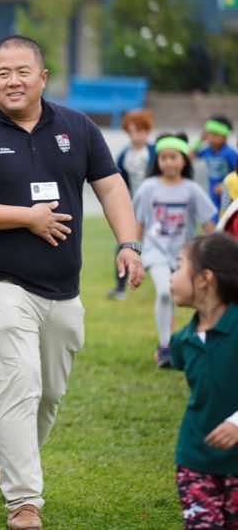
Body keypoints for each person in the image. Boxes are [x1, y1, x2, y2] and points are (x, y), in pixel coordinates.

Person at [0, 35, 144, 530]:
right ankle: (24, 501)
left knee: (50, 393)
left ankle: (8, 462)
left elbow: (110, 185)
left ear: (43, 77)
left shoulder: (78, 128)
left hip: (62, 289)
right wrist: (26, 217)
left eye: (22, 71)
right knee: (21, 384)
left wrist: (129, 243)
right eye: (3, 73)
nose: (13, 81)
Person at [167, 233, 238, 529]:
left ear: (204, 278)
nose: (171, 277)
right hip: (194, 459)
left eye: (178, 267)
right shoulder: (181, 342)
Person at [133, 133, 216, 368]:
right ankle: (164, 347)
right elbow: (138, 223)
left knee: (195, 299)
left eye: (173, 157)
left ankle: (198, 341)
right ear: (157, 161)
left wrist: (216, 250)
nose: (168, 162)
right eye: (163, 157)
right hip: (155, 251)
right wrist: (135, 253)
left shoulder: (192, 189)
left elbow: (209, 223)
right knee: (164, 293)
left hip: (184, 255)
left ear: (184, 160)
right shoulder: (148, 188)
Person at [108, 109, 155, 300]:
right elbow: (118, 184)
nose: (136, 136)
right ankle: (120, 288)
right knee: (126, 244)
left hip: (156, 209)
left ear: (147, 131)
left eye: (140, 131)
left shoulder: (155, 152)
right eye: (132, 131)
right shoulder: (124, 155)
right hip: (134, 208)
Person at [193, 115, 238, 222]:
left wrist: (224, 186)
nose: (211, 137)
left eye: (215, 135)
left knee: (225, 217)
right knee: (212, 218)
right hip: (212, 191)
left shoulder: (230, 153)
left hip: (227, 191)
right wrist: (199, 140)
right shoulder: (207, 150)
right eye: (209, 134)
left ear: (225, 136)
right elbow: (190, 155)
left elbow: (235, 173)